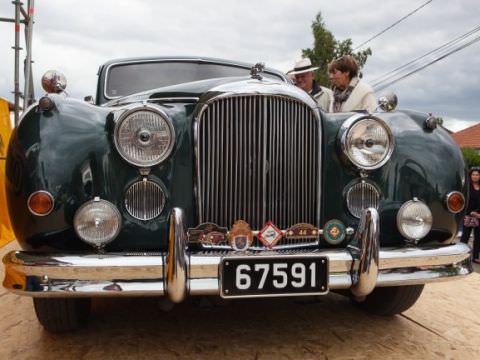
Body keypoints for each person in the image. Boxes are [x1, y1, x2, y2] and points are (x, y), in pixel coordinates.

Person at [461, 167, 480, 263]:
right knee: (465, 237)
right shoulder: (467, 187)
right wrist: (471, 212)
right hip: (468, 215)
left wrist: (478, 214)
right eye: (473, 174)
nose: (475, 176)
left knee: (478, 238)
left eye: (477, 174)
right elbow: (464, 201)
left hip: (479, 216)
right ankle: (461, 257)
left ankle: (475, 257)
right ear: (470, 176)